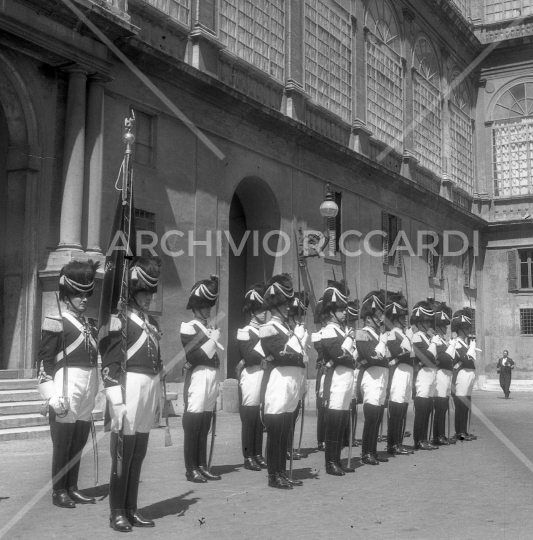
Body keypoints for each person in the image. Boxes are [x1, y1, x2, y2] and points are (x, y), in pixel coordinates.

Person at [101, 256, 163, 532]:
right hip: (128, 390)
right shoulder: (120, 322)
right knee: (123, 455)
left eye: (151, 293)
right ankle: (116, 511)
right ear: (132, 291)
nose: (148, 297)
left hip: (147, 390)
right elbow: (111, 365)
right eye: (143, 292)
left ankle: (132, 508)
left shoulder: (150, 323)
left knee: (138, 453)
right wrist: (116, 402)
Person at [37, 260, 100, 509]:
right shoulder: (56, 320)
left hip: (87, 387)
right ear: (67, 294)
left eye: (86, 293)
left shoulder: (90, 324)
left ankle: (72, 487)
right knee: (62, 443)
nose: (83, 299)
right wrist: (50, 396)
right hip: (65, 387)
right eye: (77, 294)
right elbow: (44, 363)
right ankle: (58, 491)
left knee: (79, 441)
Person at [260, 273, 307, 489]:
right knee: (277, 429)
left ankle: (281, 471)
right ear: (275, 305)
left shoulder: (287, 329)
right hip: (278, 382)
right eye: (284, 304)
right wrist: (297, 343)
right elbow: (282, 354)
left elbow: (297, 356)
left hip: (292, 381)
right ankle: (273, 475)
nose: (288, 308)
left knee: (286, 428)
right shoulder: (268, 328)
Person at [180, 275, 222, 483]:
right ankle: (191, 468)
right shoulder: (188, 327)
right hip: (197, 377)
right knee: (194, 422)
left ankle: (202, 464)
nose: (208, 310)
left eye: (210, 306)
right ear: (196, 307)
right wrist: (212, 342)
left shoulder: (209, 328)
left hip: (211, 376)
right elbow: (194, 356)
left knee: (205, 422)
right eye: (204, 306)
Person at [320, 282, 356, 476]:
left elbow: (353, 356)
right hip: (336, 379)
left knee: (341, 421)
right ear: (332, 312)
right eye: (341, 310)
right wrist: (350, 341)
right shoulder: (328, 331)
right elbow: (338, 354)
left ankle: (338, 460)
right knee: (334, 422)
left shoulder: (342, 331)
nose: (344, 313)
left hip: (347, 378)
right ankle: (330, 462)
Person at [236, 283, 268, 471]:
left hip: (262, 375)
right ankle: (248, 456)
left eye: (264, 309)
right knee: (249, 418)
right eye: (259, 310)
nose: (263, 313)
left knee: (259, 418)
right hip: (251, 375)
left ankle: (257, 453)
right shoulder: (245, 332)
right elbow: (249, 357)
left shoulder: (264, 331)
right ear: (252, 312)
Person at [355, 290, 389, 465]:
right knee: (371, 416)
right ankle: (365, 452)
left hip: (381, 377)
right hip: (371, 377)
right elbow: (372, 356)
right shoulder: (362, 334)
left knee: (377, 416)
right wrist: (382, 343)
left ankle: (373, 450)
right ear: (368, 318)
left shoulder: (377, 335)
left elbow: (387, 358)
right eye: (377, 316)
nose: (380, 320)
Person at [384, 293, 413, 456]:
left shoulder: (403, 333)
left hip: (407, 372)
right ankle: (392, 444)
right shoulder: (392, 333)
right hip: (398, 373)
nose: (405, 319)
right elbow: (398, 352)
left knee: (403, 408)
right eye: (402, 316)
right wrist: (408, 340)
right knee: (396, 408)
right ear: (395, 317)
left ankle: (399, 441)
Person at [410, 300, 438, 451]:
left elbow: (435, 357)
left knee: (427, 409)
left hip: (431, 374)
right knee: (421, 410)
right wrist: (433, 343)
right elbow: (425, 356)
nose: (429, 324)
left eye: (429, 321)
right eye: (426, 321)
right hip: (422, 374)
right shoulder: (417, 337)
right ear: (419, 322)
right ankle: (418, 440)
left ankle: (424, 438)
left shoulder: (426, 338)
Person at [286, 291, 309, 461]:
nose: (301, 320)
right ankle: (285, 447)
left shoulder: (300, 331)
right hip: (286, 377)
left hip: (299, 374)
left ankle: (290, 446)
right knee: (286, 414)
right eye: (298, 317)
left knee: (294, 414)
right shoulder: (288, 333)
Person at [449, 307, 477, 441]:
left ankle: (464, 431)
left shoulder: (465, 344)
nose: (468, 330)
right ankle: (459, 432)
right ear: (459, 329)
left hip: (468, 376)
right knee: (460, 405)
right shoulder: (455, 343)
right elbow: (463, 359)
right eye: (465, 328)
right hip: (460, 376)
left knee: (466, 405)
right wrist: (471, 349)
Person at [429, 301, 455, 445]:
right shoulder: (436, 340)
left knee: (444, 406)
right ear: (437, 326)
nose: (446, 328)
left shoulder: (443, 341)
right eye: (443, 326)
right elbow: (443, 358)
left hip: (446, 374)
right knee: (439, 407)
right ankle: (437, 436)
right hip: (439, 374)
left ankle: (442, 434)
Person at [312, 299, 326, 451]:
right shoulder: (318, 335)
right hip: (324, 371)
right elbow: (322, 352)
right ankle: (321, 439)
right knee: (322, 406)